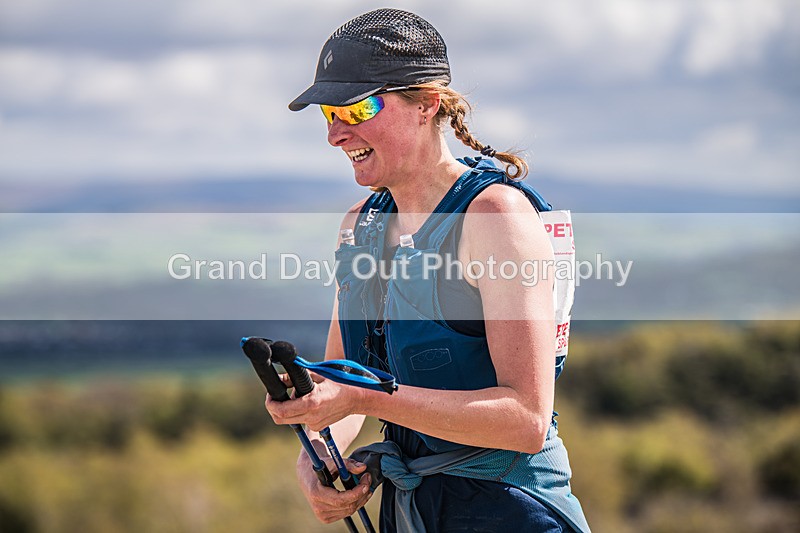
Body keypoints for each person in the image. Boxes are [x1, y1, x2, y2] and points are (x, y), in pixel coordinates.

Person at [267, 8, 590, 532]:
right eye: (329, 113)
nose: (335, 134)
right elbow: (342, 381)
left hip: (511, 510)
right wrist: (316, 457)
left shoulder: (494, 215)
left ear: (427, 104)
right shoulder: (360, 226)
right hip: (412, 512)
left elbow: (527, 420)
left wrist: (359, 398)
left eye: (357, 109)